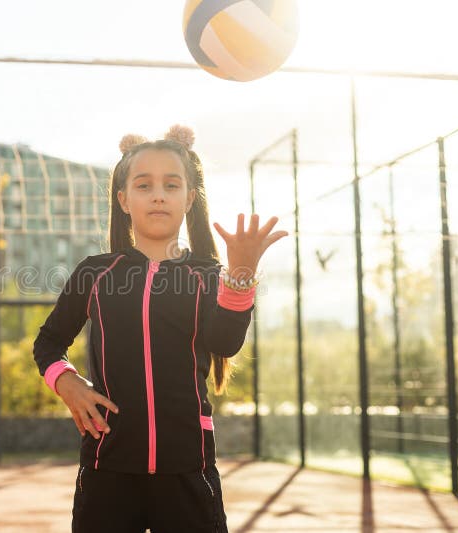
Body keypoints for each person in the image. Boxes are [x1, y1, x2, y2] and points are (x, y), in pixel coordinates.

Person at [33, 125, 288, 532]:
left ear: (189, 198)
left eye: (171, 185)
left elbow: (225, 341)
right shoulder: (96, 273)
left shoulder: (208, 275)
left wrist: (240, 274)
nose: (158, 195)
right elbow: (48, 343)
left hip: (188, 469)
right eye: (144, 184)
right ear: (124, 199)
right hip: (107, 469)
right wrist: (68, 384)